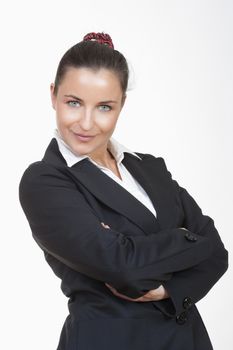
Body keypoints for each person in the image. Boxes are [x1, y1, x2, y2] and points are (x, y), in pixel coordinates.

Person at [18, 32, 228, 350]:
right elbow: (124, 269)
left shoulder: (148, 168)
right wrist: (188, 238)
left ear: (122, 105)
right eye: (73, 103)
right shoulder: (45, 181)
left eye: (104, 107)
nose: (86, 123)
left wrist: (170, 288)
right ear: (53, 95)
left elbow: (217, 253)